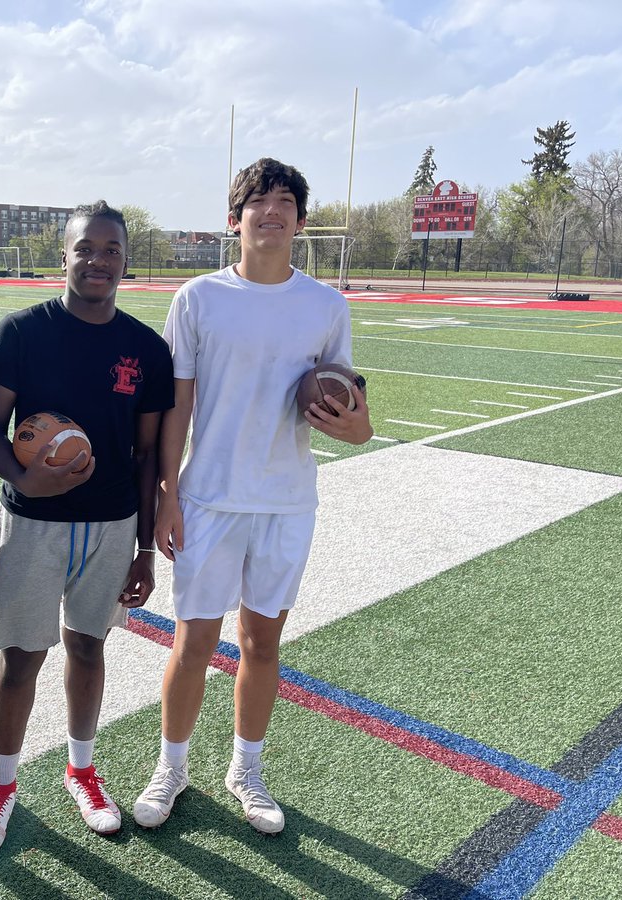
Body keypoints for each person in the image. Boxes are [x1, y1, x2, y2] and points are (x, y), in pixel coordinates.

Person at [132, 158, 373, 835]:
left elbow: (353, 413)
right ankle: (171, 768)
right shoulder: (199, 298)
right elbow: (177, 405)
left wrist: (356, 425)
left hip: (286, 499)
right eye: (259, 201)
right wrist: (169, 494)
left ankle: (247, 770)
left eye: (286, 201)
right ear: (233, 219)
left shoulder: (326, 305)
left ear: (300, 219)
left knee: (262, 643)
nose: (273, 211)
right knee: (193, 640)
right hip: (209, 497)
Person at [0, 201, 173, 856]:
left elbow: (145, 456)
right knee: (22, 657)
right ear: (65, 255)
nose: (99, 261)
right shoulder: (23, 330)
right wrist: (24, 481)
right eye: (86, 248)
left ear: (124, 261)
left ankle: (82, 770)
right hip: (33, 525)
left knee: (89, 648)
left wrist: (144, 547)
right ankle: (2, 785)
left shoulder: (144, 348)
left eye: (111, 250)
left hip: (111, 527)